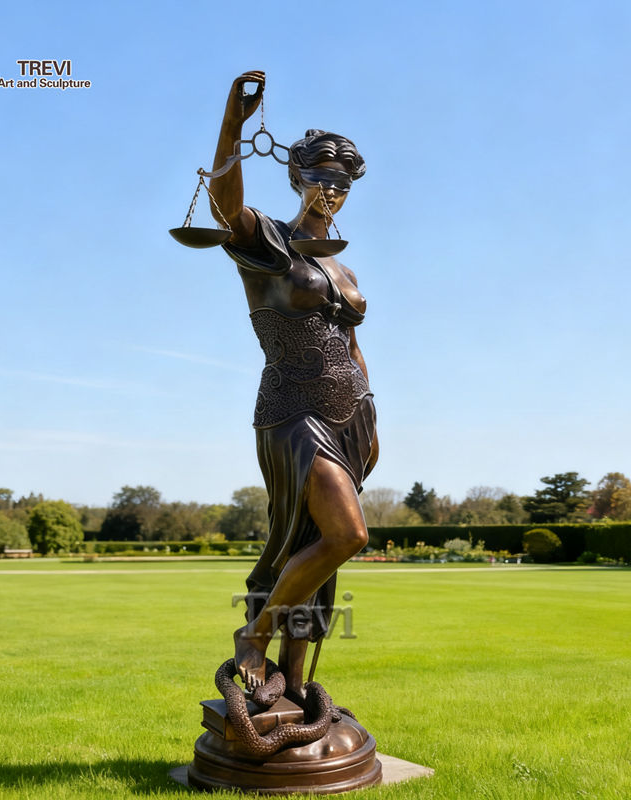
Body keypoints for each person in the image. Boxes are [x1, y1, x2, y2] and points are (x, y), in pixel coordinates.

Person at [209, 71, 378, 697]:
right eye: (321, 176)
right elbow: (224, 209)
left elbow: (353, 347)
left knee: (316, 544)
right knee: (346, 534)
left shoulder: (343, 266)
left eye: (343, 182)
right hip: (292, 408)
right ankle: (254, 635)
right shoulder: (270, 241)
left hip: (348, 414)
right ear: (296, 175)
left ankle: (298, 687)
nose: (332, 189)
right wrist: (233, 124)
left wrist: (370, 417)